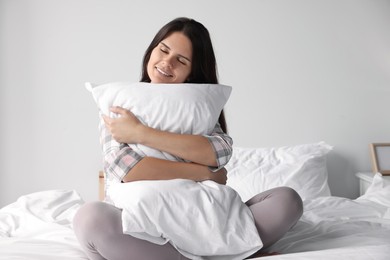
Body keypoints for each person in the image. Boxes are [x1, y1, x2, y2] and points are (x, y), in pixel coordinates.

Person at [73, 17, 303, 260]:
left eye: (181, 60)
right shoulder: (118, 102)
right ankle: (226, 255)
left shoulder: (200, 110)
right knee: (89, 219)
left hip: (205, 216)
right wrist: (204, 173)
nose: (167, 62)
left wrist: (141, 133)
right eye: (163, 50)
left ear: (193, 71)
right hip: (141, 221)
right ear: (151, 50)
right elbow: (128, 170)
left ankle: (210, 251)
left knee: (287, 200)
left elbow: (219, 152)